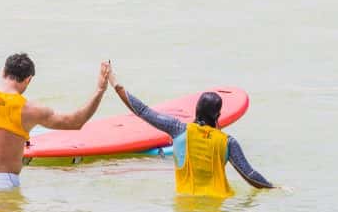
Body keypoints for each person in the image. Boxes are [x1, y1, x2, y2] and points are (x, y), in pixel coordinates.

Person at [107, 67, 285, 197]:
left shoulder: (177, 129)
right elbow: (250, 175)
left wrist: (115, 84)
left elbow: (143, 111)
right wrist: (275, 188)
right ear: (218, 116)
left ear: (196, 110)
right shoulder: (228, 142)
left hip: (186, 210)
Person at [0, 53, 110, 189]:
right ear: (28, 79)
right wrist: (100, 90)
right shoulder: (31, 110)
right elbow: (75, 122)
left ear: (3, 72)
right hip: (5, 182)